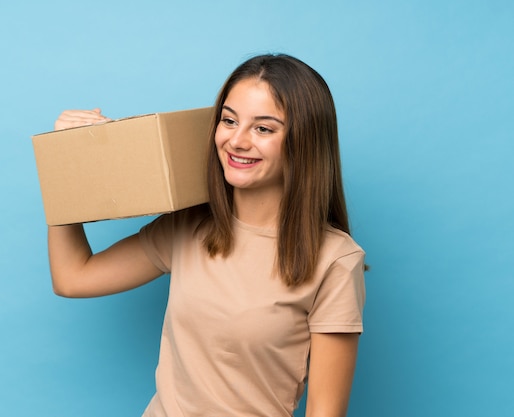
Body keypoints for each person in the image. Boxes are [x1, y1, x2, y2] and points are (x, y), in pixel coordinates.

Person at [48, 53, 366, 417]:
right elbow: (72, 277)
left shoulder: (335, 260)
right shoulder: (190, 225)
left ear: (303, 141)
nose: (237, 141)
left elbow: (325, 412)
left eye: (263, 128)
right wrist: (62, 160)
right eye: (229, 121)